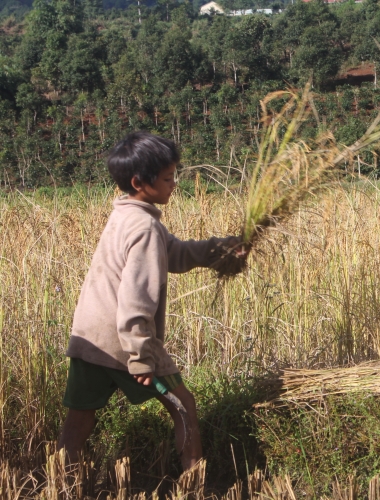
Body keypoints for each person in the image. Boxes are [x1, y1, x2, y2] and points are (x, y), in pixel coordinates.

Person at [57, 131, 246, 471]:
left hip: (90, 339)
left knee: (79, 417)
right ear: (139, 182)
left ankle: (61, 480)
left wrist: (222, 250)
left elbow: (176, 253)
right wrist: (142, 357)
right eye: (168, 178)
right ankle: (193, 481)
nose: (174, 184)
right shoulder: (144, 228)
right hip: (125, 343)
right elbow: (135, 300)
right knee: (183, 406)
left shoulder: (127, 217)